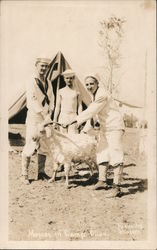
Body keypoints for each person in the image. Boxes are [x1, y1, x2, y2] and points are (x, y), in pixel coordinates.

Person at [66, 74, 125, 198]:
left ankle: (117, 187)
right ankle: (102, 181)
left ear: (97, 83)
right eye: (87, 84)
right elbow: (94, 117)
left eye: (91, 83)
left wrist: (74, 121)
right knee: (101, 152)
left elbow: (91, 111)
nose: (89, 86)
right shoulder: (94, 96)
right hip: (105, 128)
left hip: (115, 127)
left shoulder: (102, 94)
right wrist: (85, 131)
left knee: (116, 155)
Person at [21, 57, 55, 185]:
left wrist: (49, 113)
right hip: (34, 116)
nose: (44, 69)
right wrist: (43, 113)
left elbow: (51, 99)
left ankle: (41, 172)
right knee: (31, 142)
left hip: (45, 116)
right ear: (36, 65)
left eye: (46, 66)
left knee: (44, 145)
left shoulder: (48, 82)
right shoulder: (31, 81)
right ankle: (24, 174)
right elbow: (32, 100)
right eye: (42, 66)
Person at [53, 69, 82, 134]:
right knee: (63, 138)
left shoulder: (77, 91)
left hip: (73, 116)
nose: (69, 80)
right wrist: (55, 120)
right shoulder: (60, 91)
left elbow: (80, 106)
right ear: (64, 79)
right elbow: (57, 107)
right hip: (63, 116)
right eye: (67, 78)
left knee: (73, 137)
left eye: (71, 78)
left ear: (73, 78)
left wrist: (80, 119)